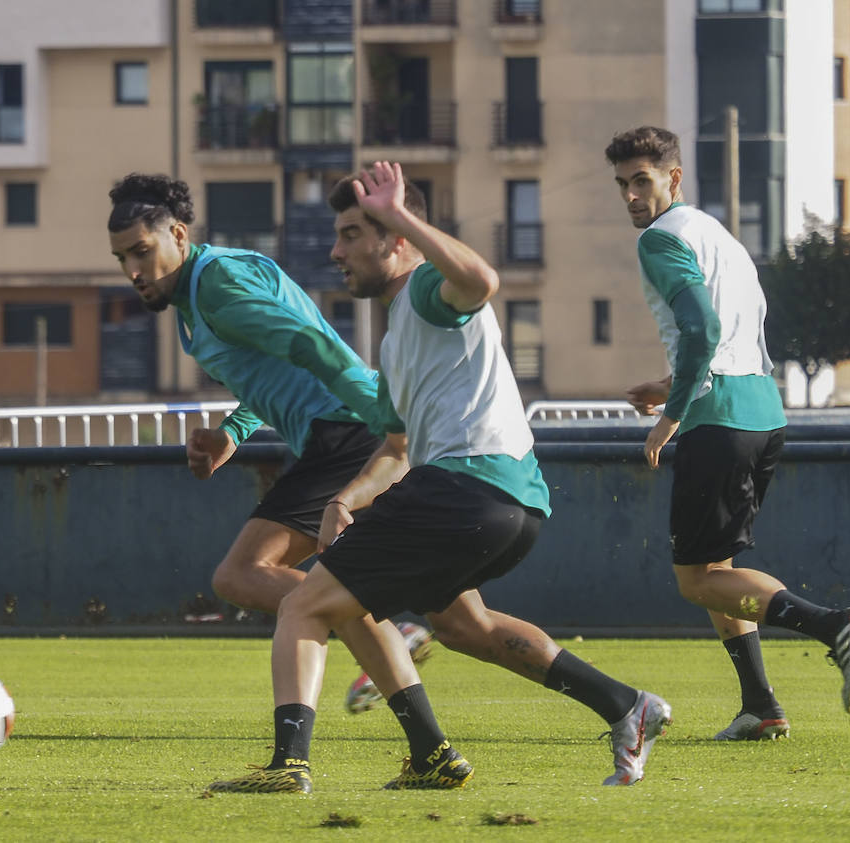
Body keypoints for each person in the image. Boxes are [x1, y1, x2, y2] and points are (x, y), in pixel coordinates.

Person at [208, 162, 672, 793]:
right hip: (514, 507)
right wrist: (346, 498)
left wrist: (403, 215)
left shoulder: (426, 286)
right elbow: (398, 445)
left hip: (463, 490)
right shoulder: (398, 337)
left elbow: (482, 279)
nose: (335, 251)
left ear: (394, 240)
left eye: (349, 234)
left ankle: (289, 766)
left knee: (302, 603)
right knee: (463, 626)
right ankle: (621, 705)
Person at [107, 173, 433, 765]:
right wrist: (232, 432)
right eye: (123, 257)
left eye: (142, 250)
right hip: (339, 435)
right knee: (473, 626)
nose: (133, 269)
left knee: (244, 574)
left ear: (178, 235)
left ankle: (367, 626)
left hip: (346, 434)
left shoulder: (218, 285)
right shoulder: (205, 287)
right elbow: (274, 363)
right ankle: (615, 707)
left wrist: (390, 425)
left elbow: (310, 343)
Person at [603, 126, 850, 740]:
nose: (629, 196)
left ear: (672, 179)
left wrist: (672, 413)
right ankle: (760, 705)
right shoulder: (714, 233)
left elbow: (701, 331)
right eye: (621, 184)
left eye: (641, 181)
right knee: (718, 571)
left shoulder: (659, 241)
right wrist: (669, 383)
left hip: (717, 417)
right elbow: (731, 330)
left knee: (696, 579)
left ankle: (836, 625)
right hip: (762, 409)